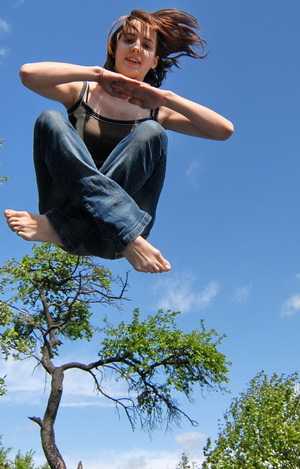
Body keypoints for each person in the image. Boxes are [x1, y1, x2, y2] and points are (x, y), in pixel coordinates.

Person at [4, 8, 233, 273]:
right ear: (115, 48)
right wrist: (98, 75)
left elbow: (223, 130)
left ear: (155, 61)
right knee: (50, 119)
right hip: (115, 230)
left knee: (153, 131)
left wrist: (165, 98)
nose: (136, 48)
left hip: (100, 235)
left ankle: (69, 227)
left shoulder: (158, 111)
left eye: (146, 45)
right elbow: (28, 74)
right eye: (129, 40)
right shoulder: (83, 92)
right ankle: (121, 234)